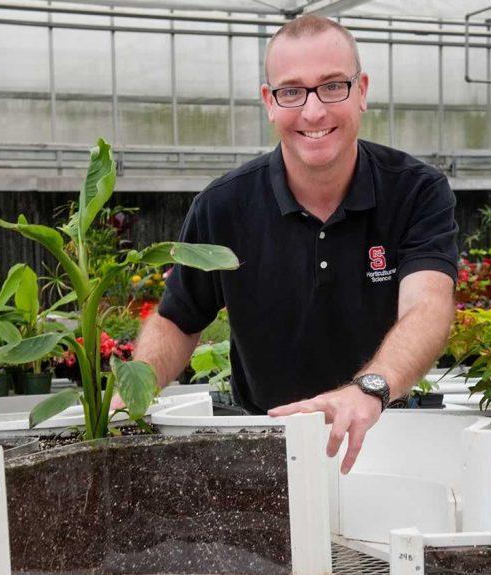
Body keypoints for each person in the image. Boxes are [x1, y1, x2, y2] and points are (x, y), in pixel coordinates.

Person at [116, 15, 458, 473]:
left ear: (362, 91)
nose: (313, 112)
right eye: (292, 91)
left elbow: (428, 305)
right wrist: (127, 402)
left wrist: (368, 389)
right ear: (268, 102)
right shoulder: (224, 206)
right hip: (263, 452)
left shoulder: (415, 192)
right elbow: (178, 320)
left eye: (333, 86)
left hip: (384, 438)